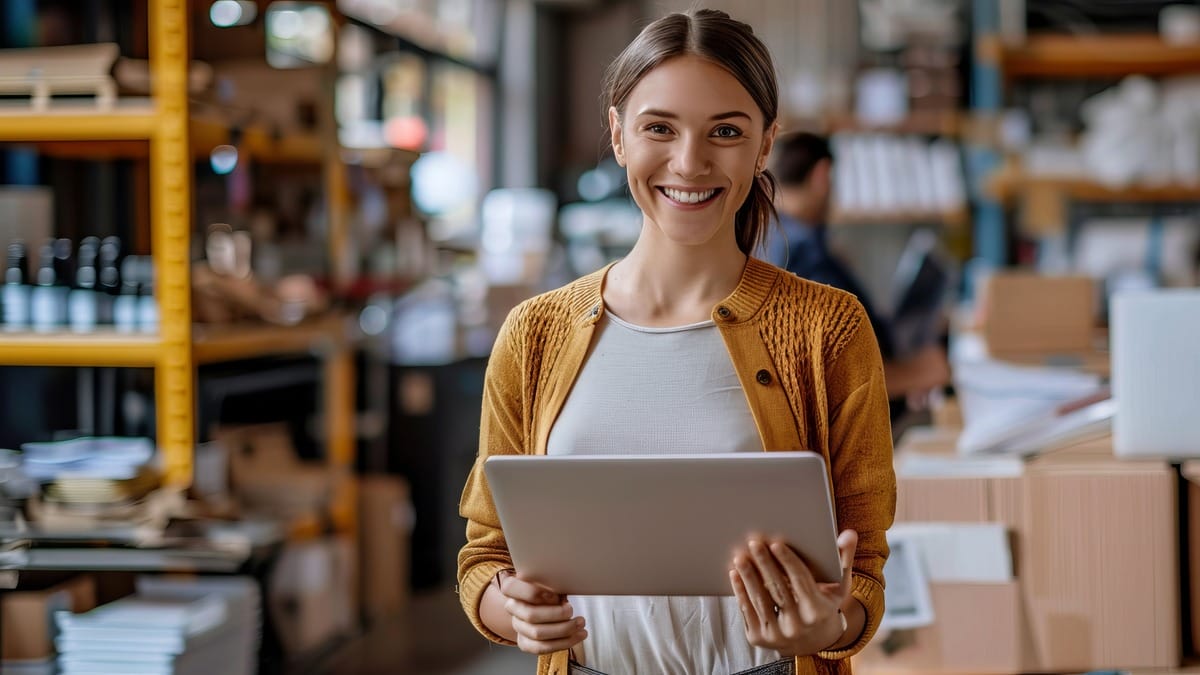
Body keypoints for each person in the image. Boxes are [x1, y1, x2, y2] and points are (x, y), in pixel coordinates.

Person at [458, 9, 895, 675]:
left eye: (726, 131)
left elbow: (862, 572)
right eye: (659, 127)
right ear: (618, 133)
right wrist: (509, 608)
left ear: (766, 142)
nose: (690, 163)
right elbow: (485, 554)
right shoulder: (535, 333)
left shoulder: (827, 327)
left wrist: (830, 623)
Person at [763, 132, 950, 415]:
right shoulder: (806, 259)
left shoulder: (774, 242)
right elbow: (829, 378)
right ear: (822, 176)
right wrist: (917, 372)